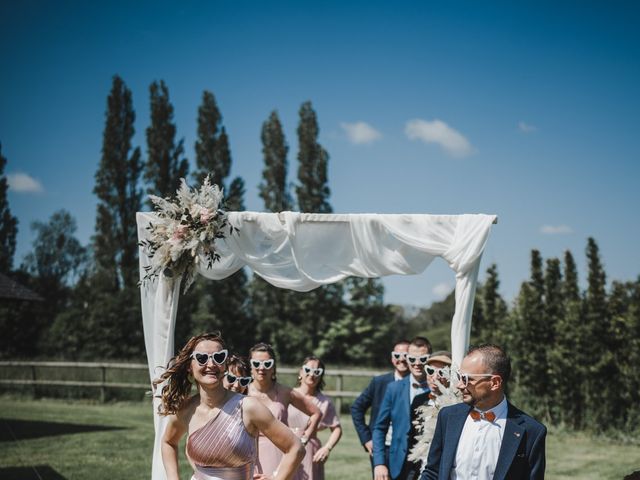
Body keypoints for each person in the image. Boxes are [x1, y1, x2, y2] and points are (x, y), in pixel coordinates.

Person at [153, 332, 305, 480]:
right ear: (189, 366)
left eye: (219, 358)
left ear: (225, 364)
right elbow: (168, 442)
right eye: (202, 358)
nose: (211, 364)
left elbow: (295, 448)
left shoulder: (248, 407)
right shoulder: (185, 410)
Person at [421, 344, 547, 480]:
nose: (460, 385)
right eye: (459, 377)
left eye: (467, 379)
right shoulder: (448, 417)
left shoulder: (531, 431)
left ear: (495, 383)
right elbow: (433, 472)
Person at [248, 342, 322, 478]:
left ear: (273, 367)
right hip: (250, 455)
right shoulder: (242, 391)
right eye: (256, 363)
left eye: (267, 363)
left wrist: (305, 438)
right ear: (251, 366)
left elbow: (316, 412)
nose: (261, 368)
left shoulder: (285, 392)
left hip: (281, 456)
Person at [373, 336, 432, 480]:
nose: (417, 364)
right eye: (412, 359)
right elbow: (380, 428)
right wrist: (379, 463)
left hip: (427, 462)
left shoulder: (438, 389)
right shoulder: (394, 388)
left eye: (423, 359)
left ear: (429, 359)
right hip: (398, 461)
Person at [351, 339, 410, 473]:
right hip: (381, 447)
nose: (401, 360)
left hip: (407, 448)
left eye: (406, 356)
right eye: (397, 356)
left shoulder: (418, 385)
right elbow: (356, 408)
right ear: (391, 358)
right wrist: (366, 439)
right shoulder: (379, 382)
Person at [288, 355, 343, 480]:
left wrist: (327, 448)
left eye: (317, 372)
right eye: (308, 370)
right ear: (301, 372)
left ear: (321, 375)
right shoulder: (288, 395)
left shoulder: (324, 402)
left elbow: (337, 429)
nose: (312, 375)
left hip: (310, 451)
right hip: (286, 445)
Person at [404, 351, 453, 480]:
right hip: (418, 469)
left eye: (441, 372)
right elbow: (412, 437)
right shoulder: (419, 401)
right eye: (430, 371)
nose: (435, 377)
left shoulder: (456, 404)